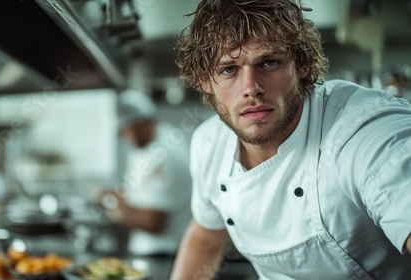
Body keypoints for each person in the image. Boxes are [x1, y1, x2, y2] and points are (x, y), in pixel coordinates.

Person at [169, 0, 411, 279]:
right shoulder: (209, 143)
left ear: (302, 64)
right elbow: (206, 238)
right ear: (205, 81)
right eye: (228, 69)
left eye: (269, 63)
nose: (251, 88)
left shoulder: (361, 129)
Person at [100, 88, 192, 258]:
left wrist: (114, 205)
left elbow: (153, 223)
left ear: (143, 122)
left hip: (165, 254)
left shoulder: (167, 152)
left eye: (126, 129)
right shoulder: (144, 146)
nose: (124, 137)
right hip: (146, 252)